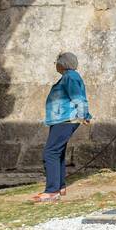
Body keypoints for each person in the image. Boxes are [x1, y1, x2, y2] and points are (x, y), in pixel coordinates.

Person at [32, 51, 91, 202]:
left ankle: (52, 191)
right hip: (61, 119)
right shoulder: (68, 77)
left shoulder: (70, 77)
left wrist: (83, 115)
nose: (55, 65)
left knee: (50, 153)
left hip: (65, 119)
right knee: (58, 153)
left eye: (56, 62)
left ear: (62, 64)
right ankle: (60, 186)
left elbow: (78, 97)